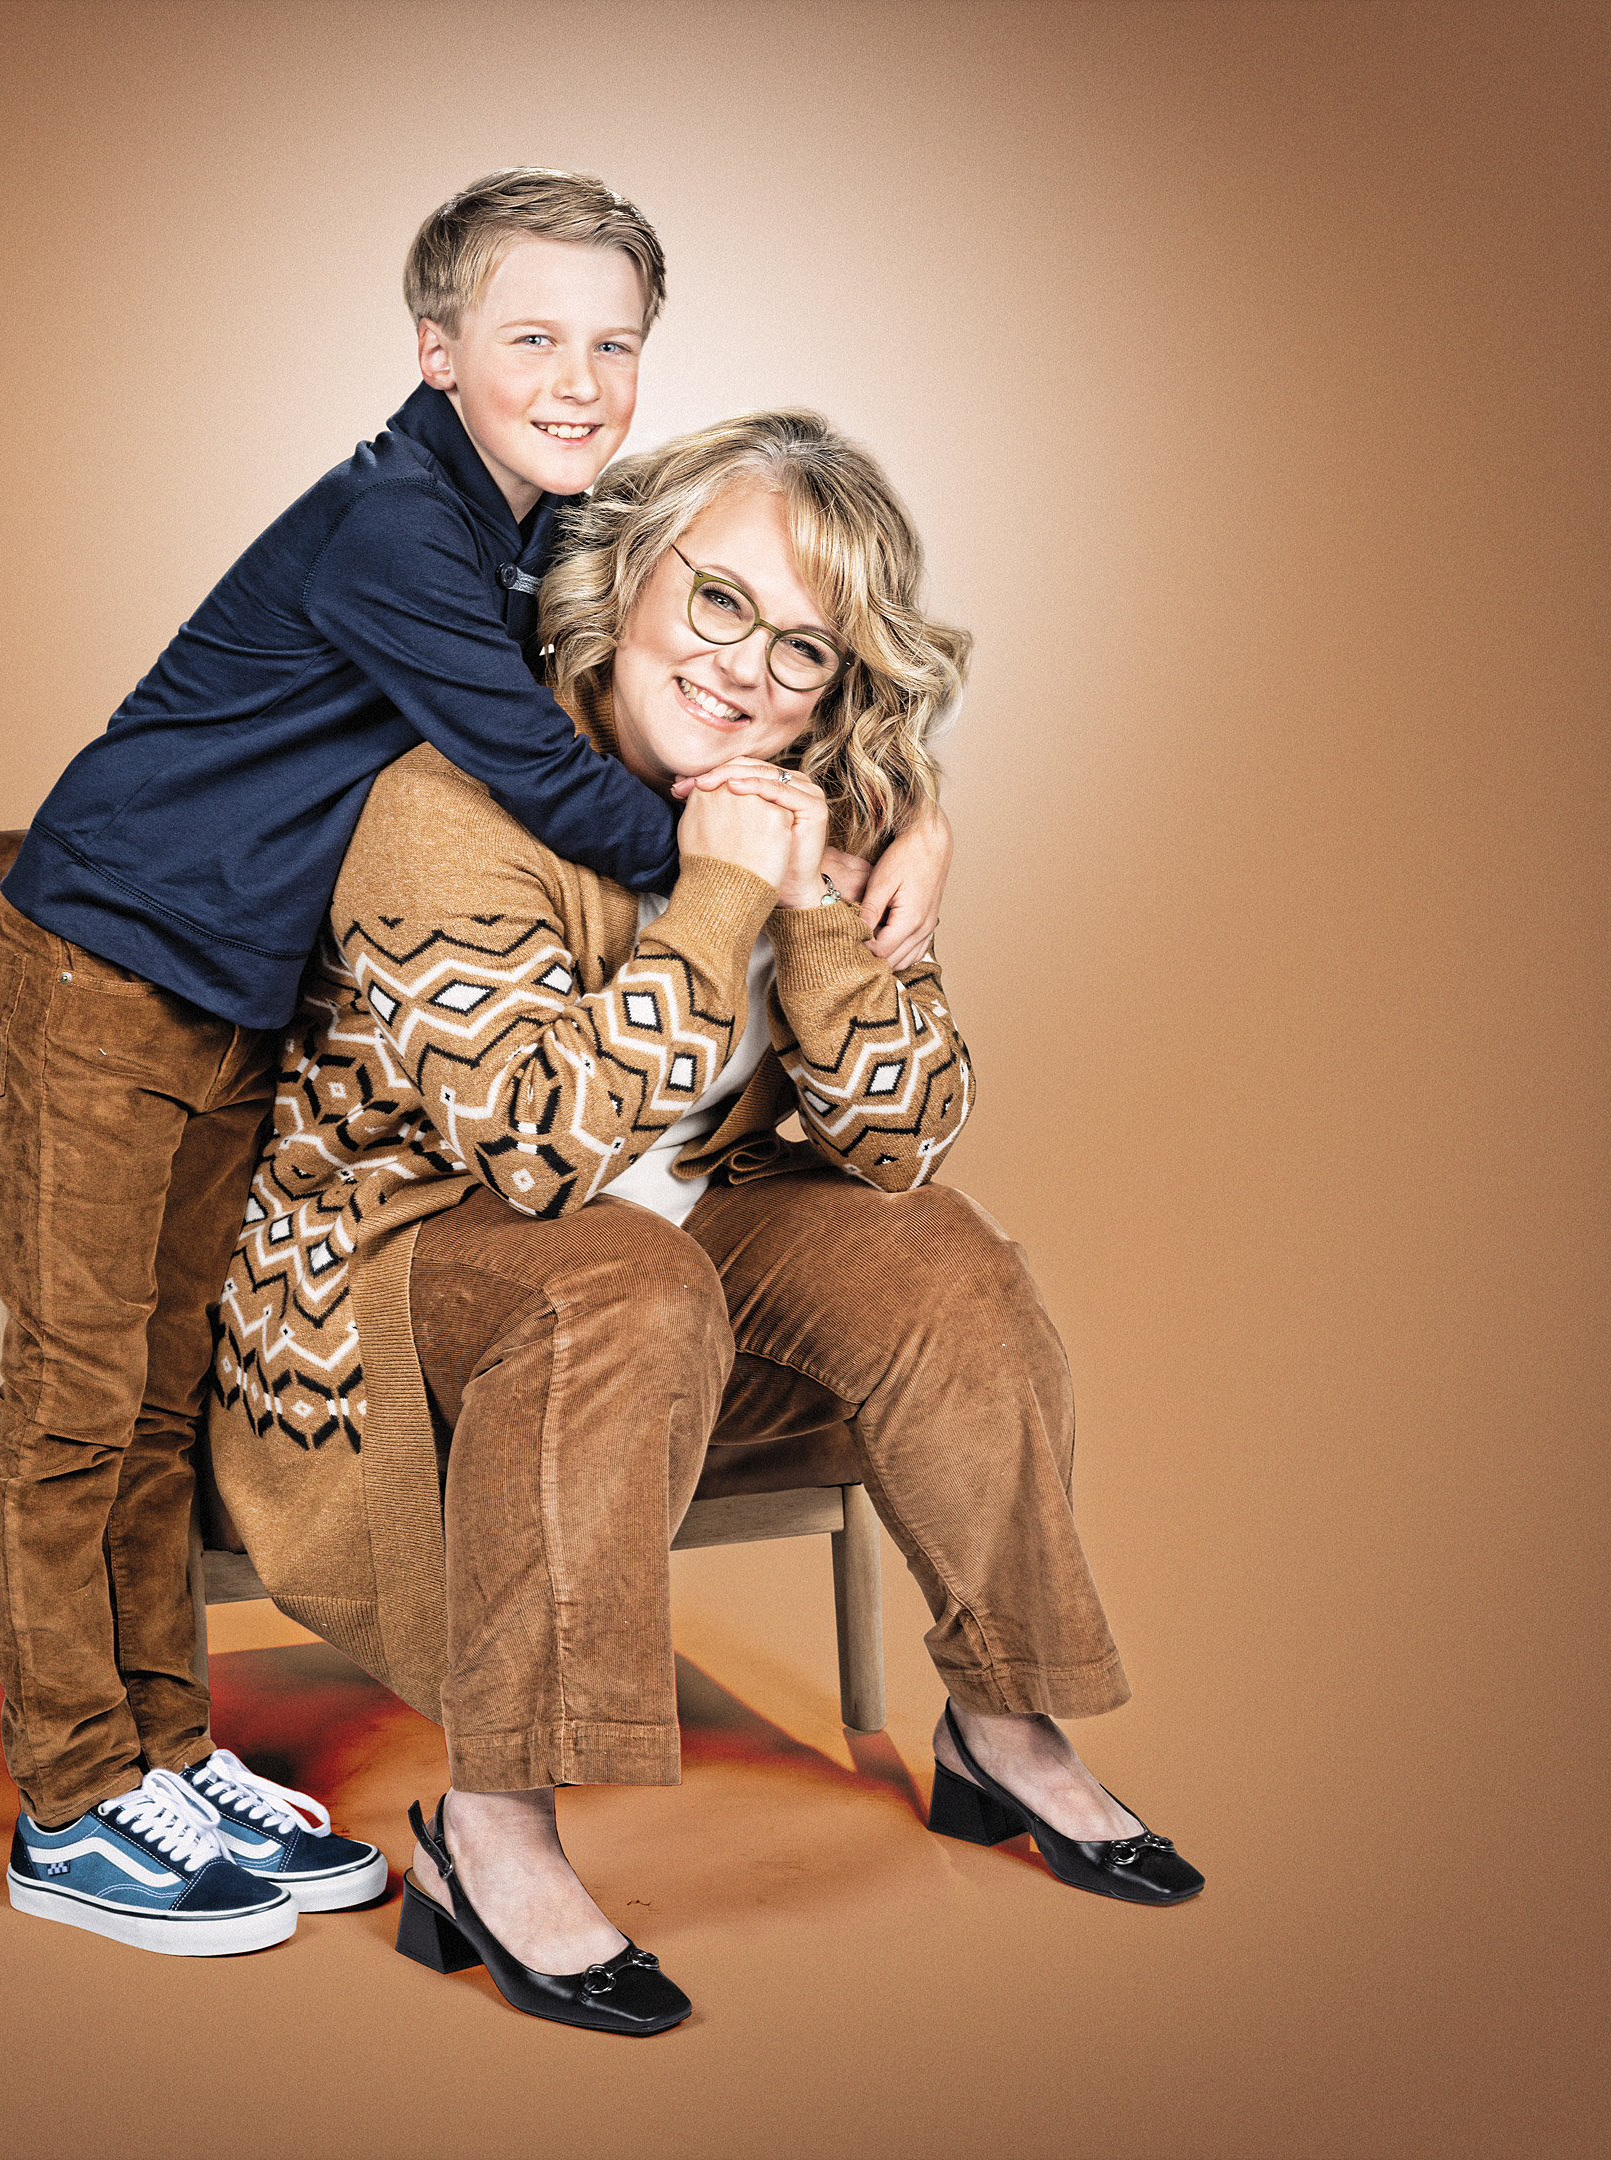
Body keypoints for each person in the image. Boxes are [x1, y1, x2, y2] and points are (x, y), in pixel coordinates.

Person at [0, 170, 962, 1957]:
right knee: (77, 1389)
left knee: (152, 1392)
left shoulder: (529, 528)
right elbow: (552, 774)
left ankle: (164, 1751)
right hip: (111, 949)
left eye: (615, 345)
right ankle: (70, 1796)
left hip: (232, 981)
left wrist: (908, 811)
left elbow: (716, 656)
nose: (579, 382)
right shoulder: (398, 533)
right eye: (532, 339)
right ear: (435, 352)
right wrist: (764, 865)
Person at [207, 408, 1202, 2033]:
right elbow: (538, 1157)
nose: (746, 670)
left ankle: (1005, 1726)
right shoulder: (451, 806)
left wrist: (818, 910)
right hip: (399, 1305)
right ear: (624, 579)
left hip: (668, 1307)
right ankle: (490, 1833)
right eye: (719, 600)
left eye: (803, 648)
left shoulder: (816, 817)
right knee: (620, 1276)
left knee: (943, 1255)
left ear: (837, 686)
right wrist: (722, 893)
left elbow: (902, 1138)